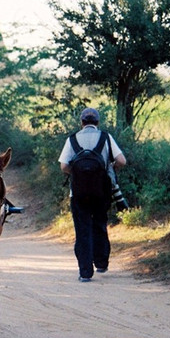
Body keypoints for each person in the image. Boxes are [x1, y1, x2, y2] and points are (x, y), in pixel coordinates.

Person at [58, 107, 126, 282]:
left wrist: (78, 173)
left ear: (81, 123)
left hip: (78, 193)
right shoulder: (105, 137)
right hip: (101, 191)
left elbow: (64, 166)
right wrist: (108, 168)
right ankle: (102, 262)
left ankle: (85, 273)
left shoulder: (72, 139)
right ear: (97, 122)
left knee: (83, 230)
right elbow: (121, 161)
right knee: (100, 224)